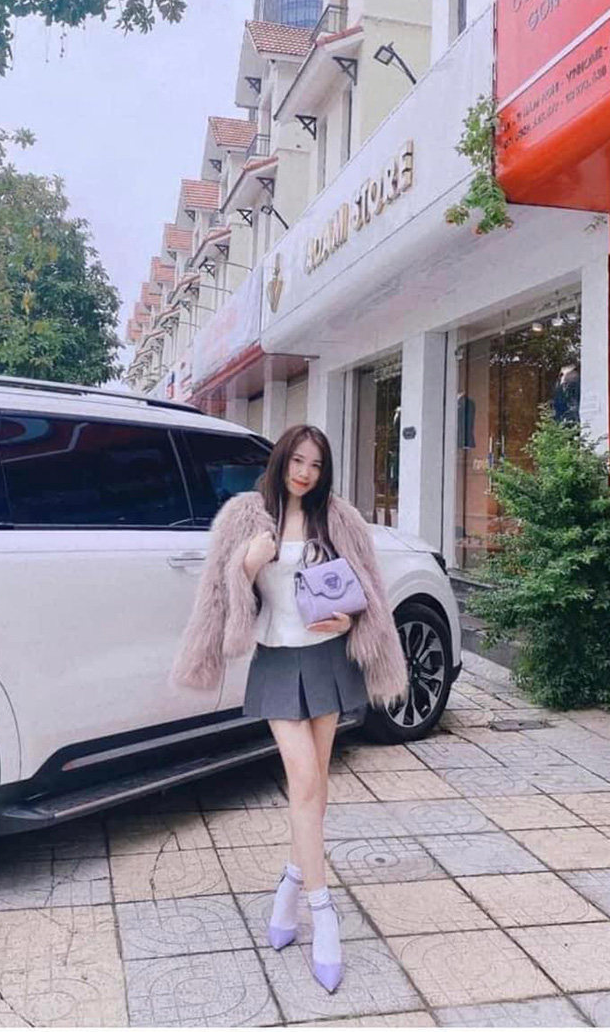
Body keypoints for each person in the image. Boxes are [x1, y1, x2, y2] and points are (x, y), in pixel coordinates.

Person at [172, 424, 407, 992]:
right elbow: (219, 597)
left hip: (328, 659)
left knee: (315, 787)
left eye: (316, 465)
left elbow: (367, 594)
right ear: (281, 461)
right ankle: (322, 912)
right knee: (303, 781)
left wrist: (349, 621)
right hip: (277, 661)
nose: (305, 472)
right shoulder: (244, 517)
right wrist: (246, 566)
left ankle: (289, 885)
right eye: (298, 461)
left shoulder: (339, 519)